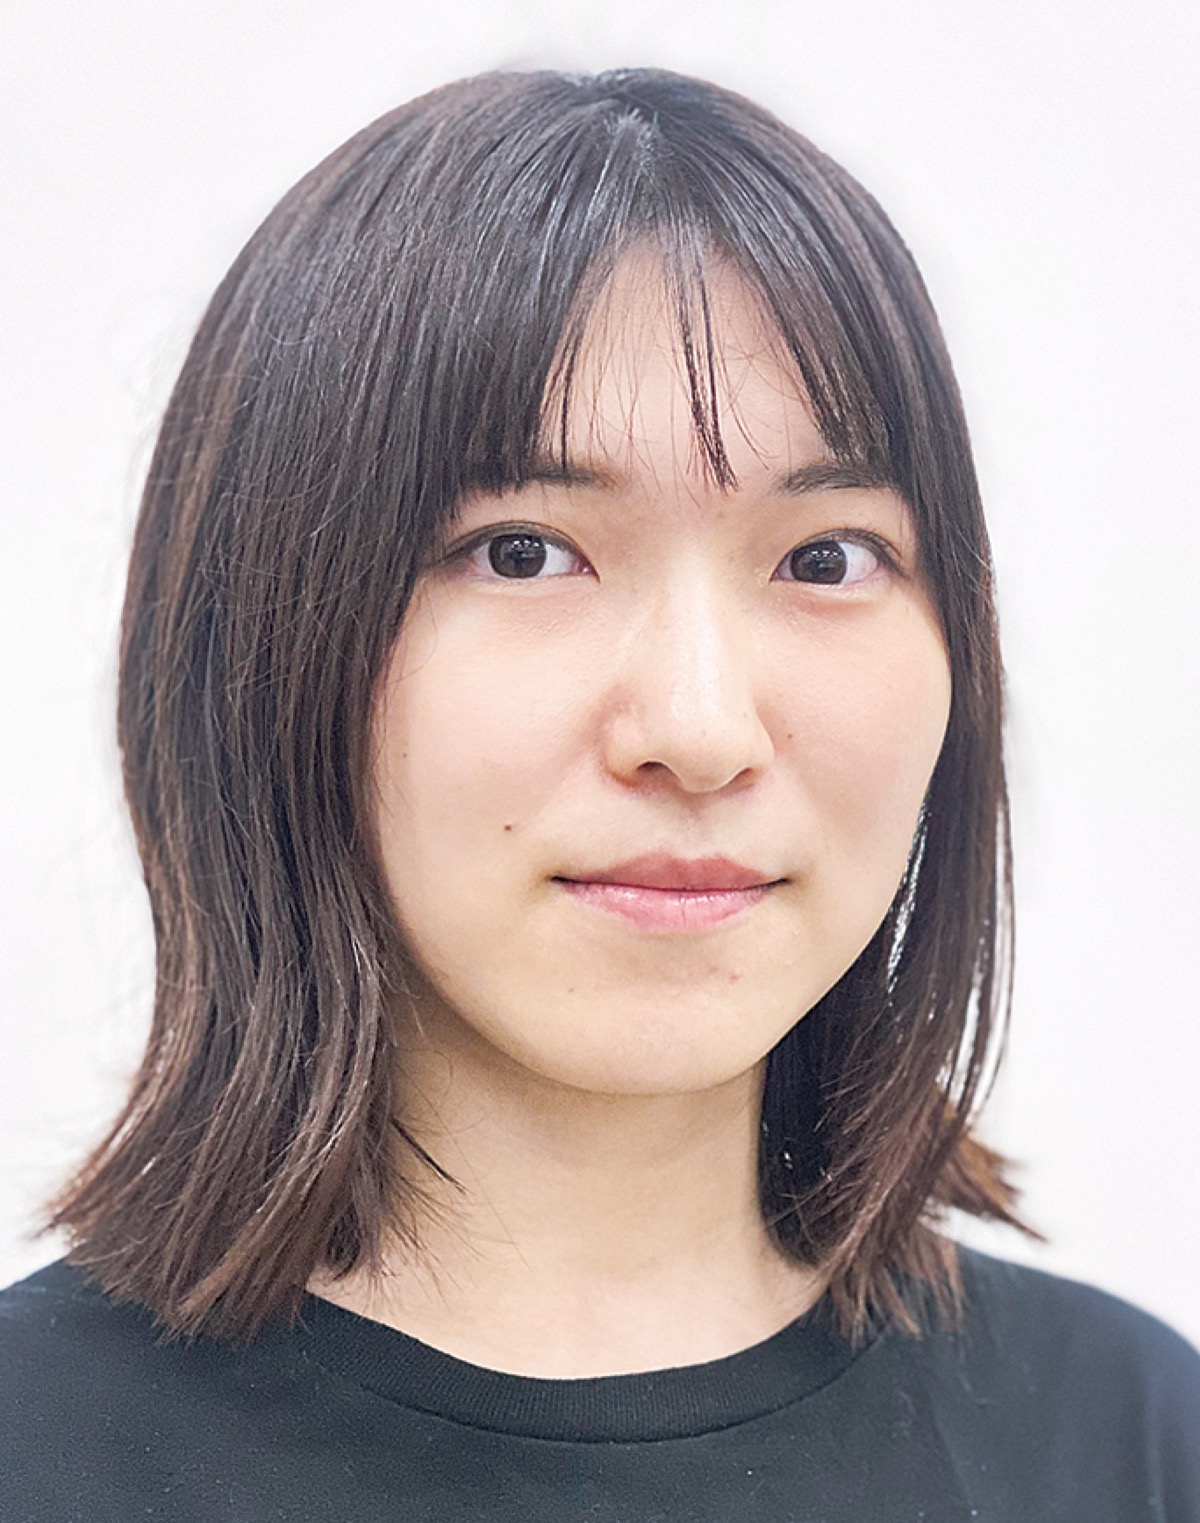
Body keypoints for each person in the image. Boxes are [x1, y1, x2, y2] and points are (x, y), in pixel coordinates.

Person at [1, 67, 1196, 1522]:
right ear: (257, 640)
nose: (699, 729)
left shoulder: (1126, 1441)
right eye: (522, 552)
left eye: (825, 558)